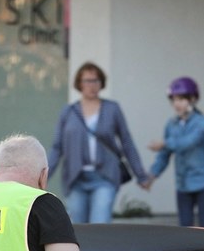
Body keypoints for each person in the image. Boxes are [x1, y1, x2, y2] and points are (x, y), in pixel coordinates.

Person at [49, 61, 150, 223]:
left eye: (96, 80)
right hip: (76, 178)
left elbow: (126, 142)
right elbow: (56, 147)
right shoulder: (68, 112)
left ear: (101, 83)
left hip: (105, 176)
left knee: (100, 224)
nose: (92, 85)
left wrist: (141, 175)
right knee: (77, 229)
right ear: (79, 84)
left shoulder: (112, 109)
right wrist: (42, 176)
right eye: (87, 81)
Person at [146, 76, 204, 227]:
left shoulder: (201, 122)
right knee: (185, 227)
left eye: (182, 99)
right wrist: (152, 175)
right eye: (174, 99)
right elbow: (165, 154)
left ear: (192, 99)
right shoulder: (171, 124)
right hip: (183, 183)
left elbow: (188, 142)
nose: (177, 103)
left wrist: (165, 143)